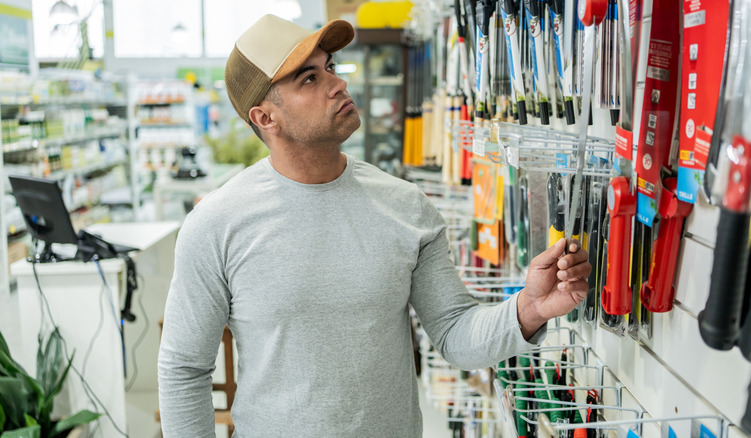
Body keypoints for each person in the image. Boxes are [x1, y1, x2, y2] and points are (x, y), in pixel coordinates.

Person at [158, 14, 591, 437]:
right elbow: (184, 370)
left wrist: (530, 309)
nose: (337, 83)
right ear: (265, 118)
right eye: (309, 78)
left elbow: (455, 332)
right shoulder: (216, 225)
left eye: (329, 67)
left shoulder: (405, 206)